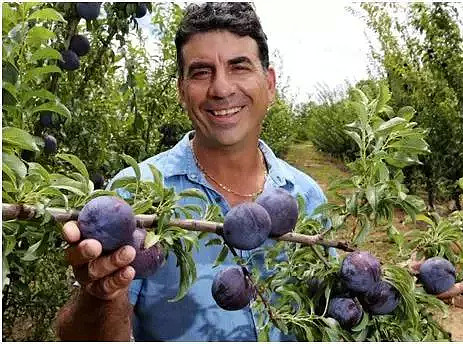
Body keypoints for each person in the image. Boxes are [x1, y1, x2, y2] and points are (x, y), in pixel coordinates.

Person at [55, 3, 327, 341]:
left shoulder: (308, 197)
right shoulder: (131, 195)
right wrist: (101, 295)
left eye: (239, 66)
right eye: (200, 72)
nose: (221, 89)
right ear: (182, 92)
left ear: (269, 84)